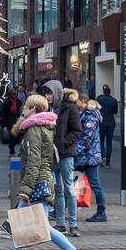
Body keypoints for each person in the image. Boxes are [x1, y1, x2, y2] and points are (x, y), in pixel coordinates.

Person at [0, 94, 91, 250]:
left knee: (43, 227)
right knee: (21, 223)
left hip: (37, 183)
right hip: (41, 181)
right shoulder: (43, 128)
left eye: (26, 107)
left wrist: (25, 190)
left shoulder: (33, 130)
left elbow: (34, 161)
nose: (23, 109)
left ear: (34, 110)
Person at [44, 80, 83, 236]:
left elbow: (77, 130)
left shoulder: (70, 107)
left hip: (66, 153)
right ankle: (60, 223)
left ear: (56, 92)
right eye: (45, 93)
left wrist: (63, 143)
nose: (47, 96)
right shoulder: (47, 108)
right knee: (57, 189)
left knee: (69, 188)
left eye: (49, 93)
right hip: (52, 153)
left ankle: (73, 224)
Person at [76, 96, 107, 223]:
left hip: (89, 156)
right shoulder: (85, 114)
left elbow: (87, 137)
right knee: (70, 180)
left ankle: (101, 212)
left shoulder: (91, 116)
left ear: (83, 101)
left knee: (95, 183)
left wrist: (76, 149)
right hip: (84, 155)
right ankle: (64, 206)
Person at [96, 85, 119, 167]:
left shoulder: (99, 99)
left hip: (101, 123)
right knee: (109, 143)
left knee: (101, 141)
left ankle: (103, 156)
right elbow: (115, 112)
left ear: (103, 91)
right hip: (110, 123)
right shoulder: (114, 100)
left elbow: (96, 110)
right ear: (110, 91)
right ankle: (108, 162)